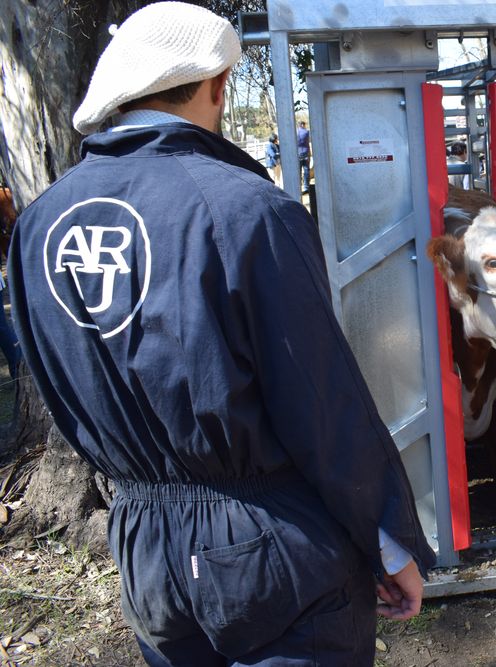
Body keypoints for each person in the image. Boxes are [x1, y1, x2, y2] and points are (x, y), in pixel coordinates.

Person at [7, 3, 434, 665]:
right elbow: (322, 402)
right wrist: (389, 539)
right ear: (216, 84)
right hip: (271, 547)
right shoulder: (246, 210)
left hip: (144, 548)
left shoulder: (38, 225)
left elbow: (58, 378)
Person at [297, 120, 311, 193]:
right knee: (306, 171)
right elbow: (309, 142)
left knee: (298, 171)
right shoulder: (306, 132)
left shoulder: (295, 133)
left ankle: (298, 187)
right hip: (306, 154)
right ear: (303, 125)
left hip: (297, 154)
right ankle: (306, 187)